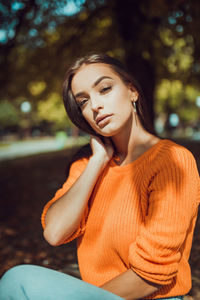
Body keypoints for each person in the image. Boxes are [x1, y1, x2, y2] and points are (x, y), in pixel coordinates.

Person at [0, 53, 199, 300]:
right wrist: (97, 162)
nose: (95, 105)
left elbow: (152, 275)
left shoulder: (172, 160)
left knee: (18, 281)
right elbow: (54, 232)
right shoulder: (87, 163)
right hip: (96, 296)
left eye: (104, 89)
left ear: (132, 91)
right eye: (83, 101)